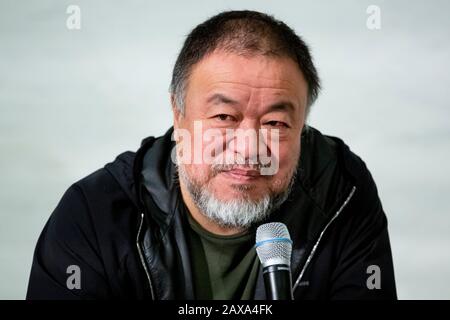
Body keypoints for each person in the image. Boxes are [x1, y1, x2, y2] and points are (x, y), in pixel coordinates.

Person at [26, 10, 397, 300]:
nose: (249, 147)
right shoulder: (95, 215)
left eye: (276, 123)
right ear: (177, 114)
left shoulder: (342, 195)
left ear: (304, 126)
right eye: (223, 117)